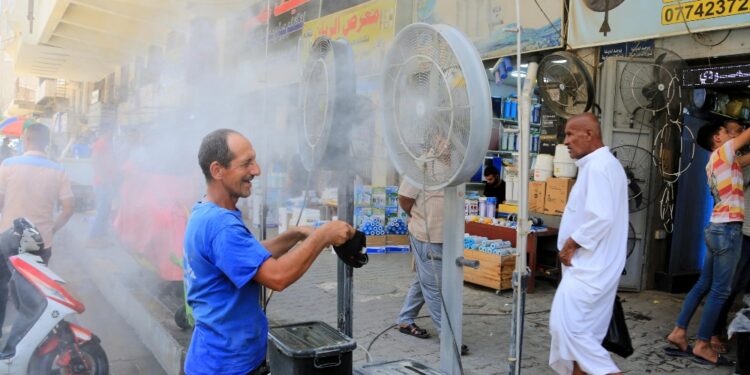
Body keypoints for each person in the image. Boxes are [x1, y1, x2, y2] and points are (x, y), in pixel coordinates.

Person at [183, 129, 354, 375]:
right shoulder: (222, 226)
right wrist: (323, 235)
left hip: (215, 358)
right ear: (217, 170)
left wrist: (293, 235)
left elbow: (245, 257)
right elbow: (277, 277)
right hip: (226, 367)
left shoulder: (206, 211)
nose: (257, 170)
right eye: (246, 164)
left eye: (254, 161)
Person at [665, 119, 750, 367]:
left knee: (704, 283)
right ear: (718, 138)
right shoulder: (724, 152)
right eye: (727, 131)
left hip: (715, 228)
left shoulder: (717, 161)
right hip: (728, 230)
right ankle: (703, 343)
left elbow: (746, 159)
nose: (732, 134)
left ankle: (679, 331)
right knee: (720, 291)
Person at [548, 113, 628, 375]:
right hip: (588, 268)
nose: (565, 141)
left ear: (589, 135)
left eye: (571, 134)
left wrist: (571, 244)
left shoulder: (600, 166)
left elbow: (601, 216)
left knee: (573, 333)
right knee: (577, 340)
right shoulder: (595, 165)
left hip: (591, 271)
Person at [0, 123, 74, 265]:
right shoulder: (59, 171)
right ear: (46, 142)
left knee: (6, 284)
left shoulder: (8, 165)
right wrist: (52, 230)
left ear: (26, 139)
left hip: (9, 238)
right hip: (41, 240)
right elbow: (68, 209)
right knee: (33, 285)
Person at [87, 125, 118, 247]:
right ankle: (92, 238)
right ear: (108, 131)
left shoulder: (105, 144)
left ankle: (99, 237)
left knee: (105, 210)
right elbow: (94, 160)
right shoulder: (101, 143)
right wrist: (103, 177)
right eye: (111, 131)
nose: (112, 134)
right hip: (102, 182)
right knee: (101, 211)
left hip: (106, 181)